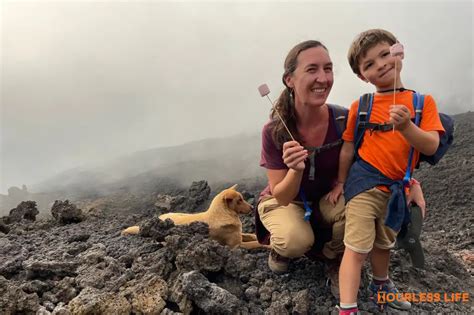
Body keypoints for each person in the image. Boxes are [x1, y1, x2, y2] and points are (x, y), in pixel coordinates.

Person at [327, 29, 444, 314]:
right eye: (369, 64)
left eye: (384, 54)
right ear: (361, 76)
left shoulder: (421, 103)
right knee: (356, 248)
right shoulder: (362, 106)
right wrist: (341, 182)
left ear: (398, 52)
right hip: (364, 186)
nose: (380, 65)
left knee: (384, 243)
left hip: (396, 189)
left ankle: (381, 286)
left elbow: (430, 145)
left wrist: (406, 127)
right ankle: (348, 308)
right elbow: (348, 149)